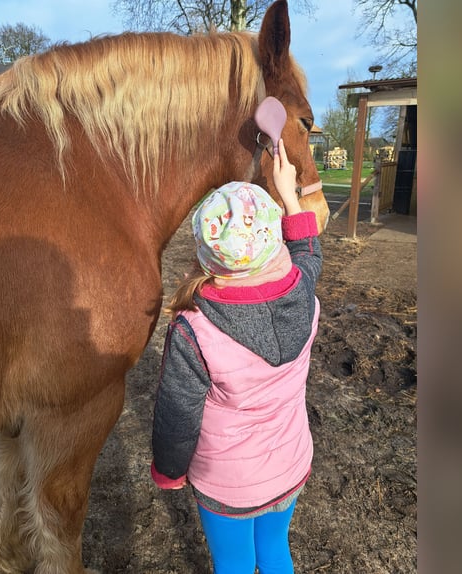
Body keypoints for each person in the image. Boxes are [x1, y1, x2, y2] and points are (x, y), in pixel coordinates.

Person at [150, 138, 323, 574]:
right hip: (290, 464)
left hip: (229, 485)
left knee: (235, 565)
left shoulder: (195, 329)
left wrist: (169, 471)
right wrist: (288, 193)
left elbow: (177, 413)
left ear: (208, 252)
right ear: (272, 239)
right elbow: (308, 252)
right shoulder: (302, 292)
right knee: (275, 552)